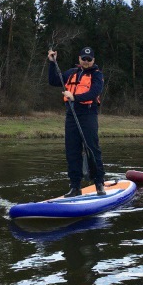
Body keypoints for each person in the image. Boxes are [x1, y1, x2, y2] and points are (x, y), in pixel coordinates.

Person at [48, 46, 105, 197]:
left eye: (89, 59)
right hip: (71, 115)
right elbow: (53, 80)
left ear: (93, 60)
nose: (86, 62)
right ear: (79, 59)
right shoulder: (71, 73)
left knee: (92, 148)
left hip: (88, 114)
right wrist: (52, 63)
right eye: (83, 59)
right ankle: (75, 187)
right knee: (72, 151)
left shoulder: (97, 75)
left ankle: (99, 184)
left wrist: (75, 98)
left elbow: (94, 92)